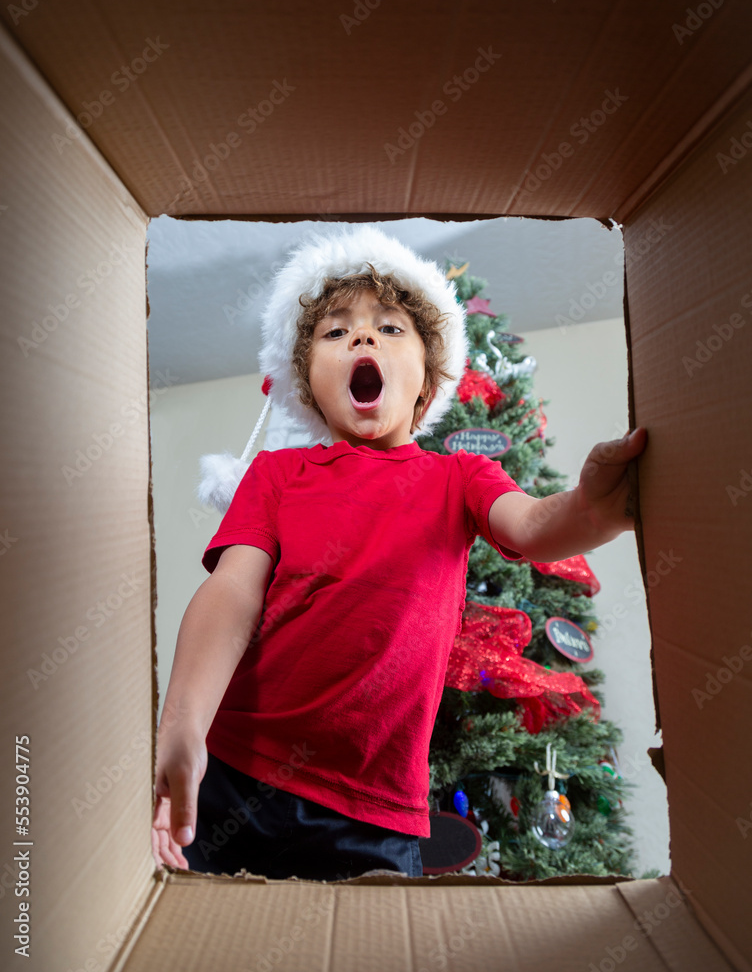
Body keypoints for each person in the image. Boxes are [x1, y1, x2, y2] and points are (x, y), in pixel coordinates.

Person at [151, 225, 647, 881]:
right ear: (308, 383)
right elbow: (231, 594)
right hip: (239, 771)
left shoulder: (458, 478)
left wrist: (591, 508)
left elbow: (532, 527)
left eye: (389, 328)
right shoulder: (276, 475)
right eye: (335, 332)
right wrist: (184, 725)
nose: (361, 338)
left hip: (376, 811)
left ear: (426, 380)